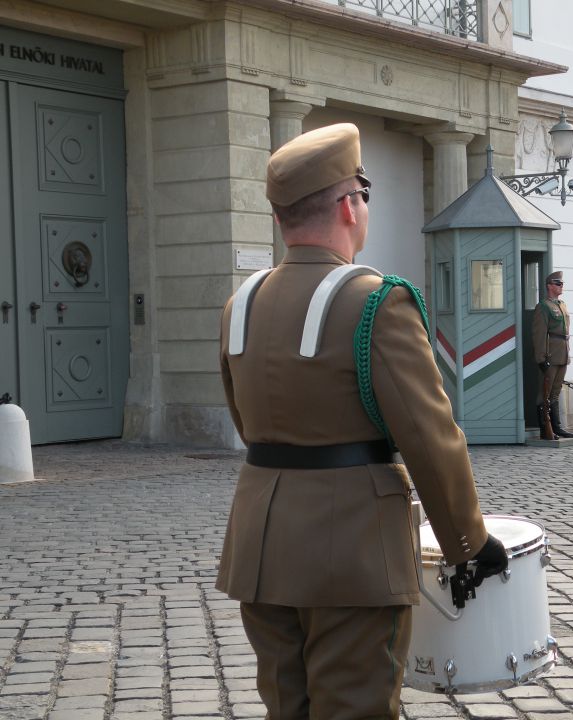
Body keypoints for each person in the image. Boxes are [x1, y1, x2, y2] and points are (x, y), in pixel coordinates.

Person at [215, 123, 508, 720]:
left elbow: (248, 424)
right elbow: (431, 438)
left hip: (260, 549)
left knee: (286, 708)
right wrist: (468, 543)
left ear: (281, 218)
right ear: (350, 205)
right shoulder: (375, 300)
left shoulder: (240, 302)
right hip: (349, 553)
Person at [532, 271, 573, 439]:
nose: (561, 286)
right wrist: (541, 358)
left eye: (562, 283)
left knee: (556, 392)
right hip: (550, 354)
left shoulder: (561, 305)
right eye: (558, 283)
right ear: (550, 285)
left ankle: (557, 427)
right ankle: (545, 429)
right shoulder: (543, 307)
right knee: (545, 392)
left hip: (562, 352)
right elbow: (539, 334)